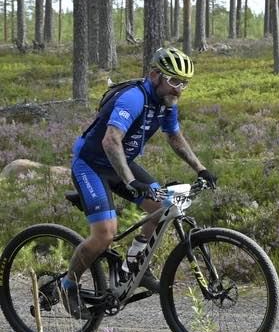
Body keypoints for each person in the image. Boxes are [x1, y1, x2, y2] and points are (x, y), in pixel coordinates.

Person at [60, 46, 217, 315]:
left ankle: (132, 264)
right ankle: (68, 285)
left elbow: (175, 137)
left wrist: (201, 169)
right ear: (155, 75)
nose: (178, 89)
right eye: (174, 81)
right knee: (105, 234)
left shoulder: (166, 103)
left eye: (184, 84)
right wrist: (131, 181)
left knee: (163, 206)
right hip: (91, 165)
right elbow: (111, 141)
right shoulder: (133, 98)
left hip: (120, 163)